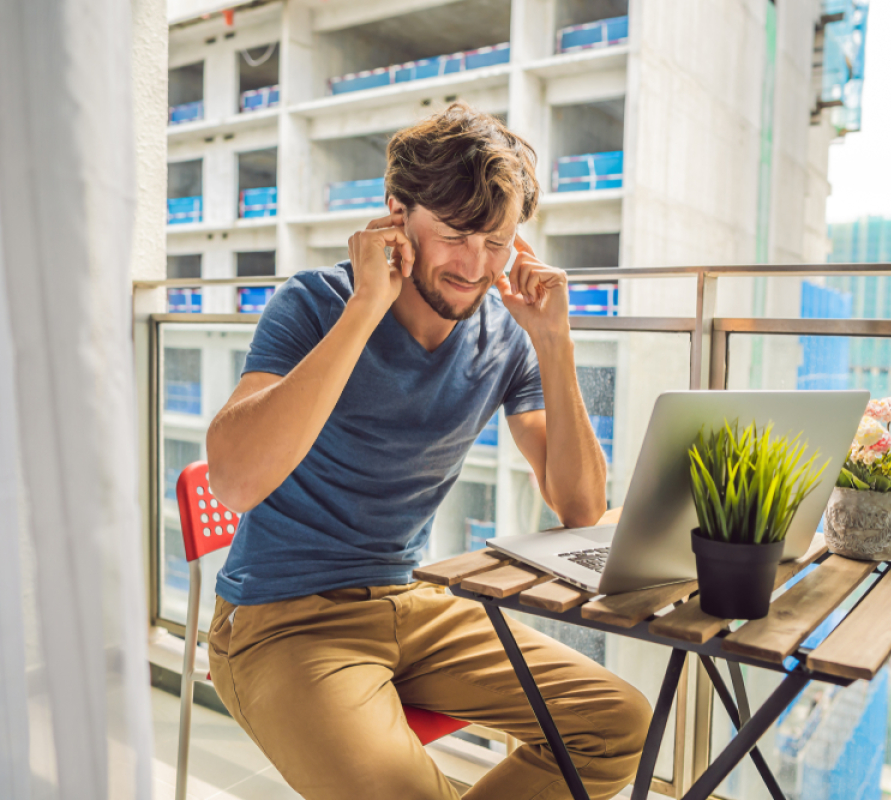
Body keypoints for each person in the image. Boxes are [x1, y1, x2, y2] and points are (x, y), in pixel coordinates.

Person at [203, 101, 652, 800]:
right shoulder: (316, 304)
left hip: (411, 601)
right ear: (396, 216)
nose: (476, 267)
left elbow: (580, 506)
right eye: (455, 236)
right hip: (280, 618)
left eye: (497, 242)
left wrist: (554, 342)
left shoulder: (504, 337)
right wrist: (365, 309)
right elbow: (232, 482)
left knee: (617, 724)